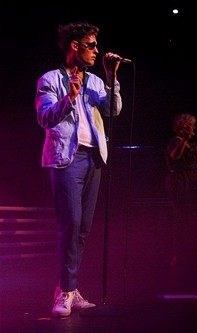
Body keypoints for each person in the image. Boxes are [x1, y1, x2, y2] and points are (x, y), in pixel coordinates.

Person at [35, 21, 125, 317]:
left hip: (95, 158)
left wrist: (111, 79)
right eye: (91, 45)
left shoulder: (98, 81)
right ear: (75, 46)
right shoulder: (50, 79)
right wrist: (69, 98)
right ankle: (66, 290)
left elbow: (112, 110)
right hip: (66, 159)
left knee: (83, 229)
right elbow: (45, 118)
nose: (96, 51)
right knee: (70, 224)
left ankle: (69, 288)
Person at [164, 113, 197, 270]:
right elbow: (175, 156)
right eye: (191, 125)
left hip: (193, 180)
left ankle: (191, 252)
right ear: (183, 128)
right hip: (179, 180)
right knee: (180, 216)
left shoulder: (190, 144)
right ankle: (178, 255)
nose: (194, 128)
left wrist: (193, 146)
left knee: (191, 216)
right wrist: (185, 140)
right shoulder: (174, 141)